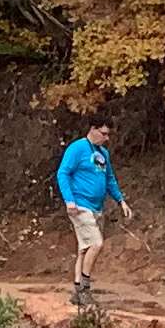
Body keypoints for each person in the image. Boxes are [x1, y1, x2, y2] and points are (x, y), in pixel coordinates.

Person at [57, 121, 130, 304]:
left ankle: (77, 290)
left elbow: (110, 179)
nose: (106, 138)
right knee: (96, 243)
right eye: (103, 134)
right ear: (93, 129)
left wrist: (121, 201)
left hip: (96, 207)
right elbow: (63, 173)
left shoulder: (103, 154)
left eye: (108, 135)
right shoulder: (77, 148)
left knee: (85, 248)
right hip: (80, 206)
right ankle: (85, 288)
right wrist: (69, 200)